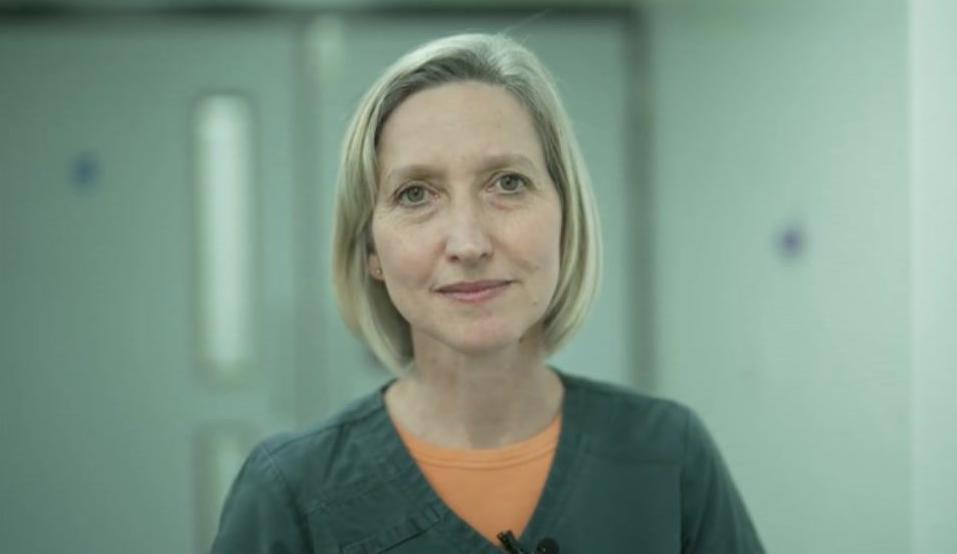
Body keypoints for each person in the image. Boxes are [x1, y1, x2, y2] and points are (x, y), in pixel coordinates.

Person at [211, 33, 764, 554]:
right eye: (415, 194)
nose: (469, 243)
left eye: (508, 183)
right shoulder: (288, 492)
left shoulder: (669, 455)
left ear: (566, 217)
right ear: (370, 252)